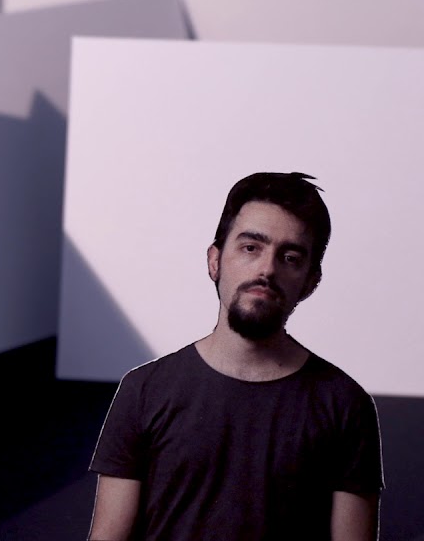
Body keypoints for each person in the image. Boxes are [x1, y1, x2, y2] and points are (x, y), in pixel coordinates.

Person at [87, 172, 384, 540]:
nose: (267, 269)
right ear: (215, 261)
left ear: (310, 281)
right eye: (250, 248)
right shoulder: (143, 390)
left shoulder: (345, 405)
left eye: (290, 257)